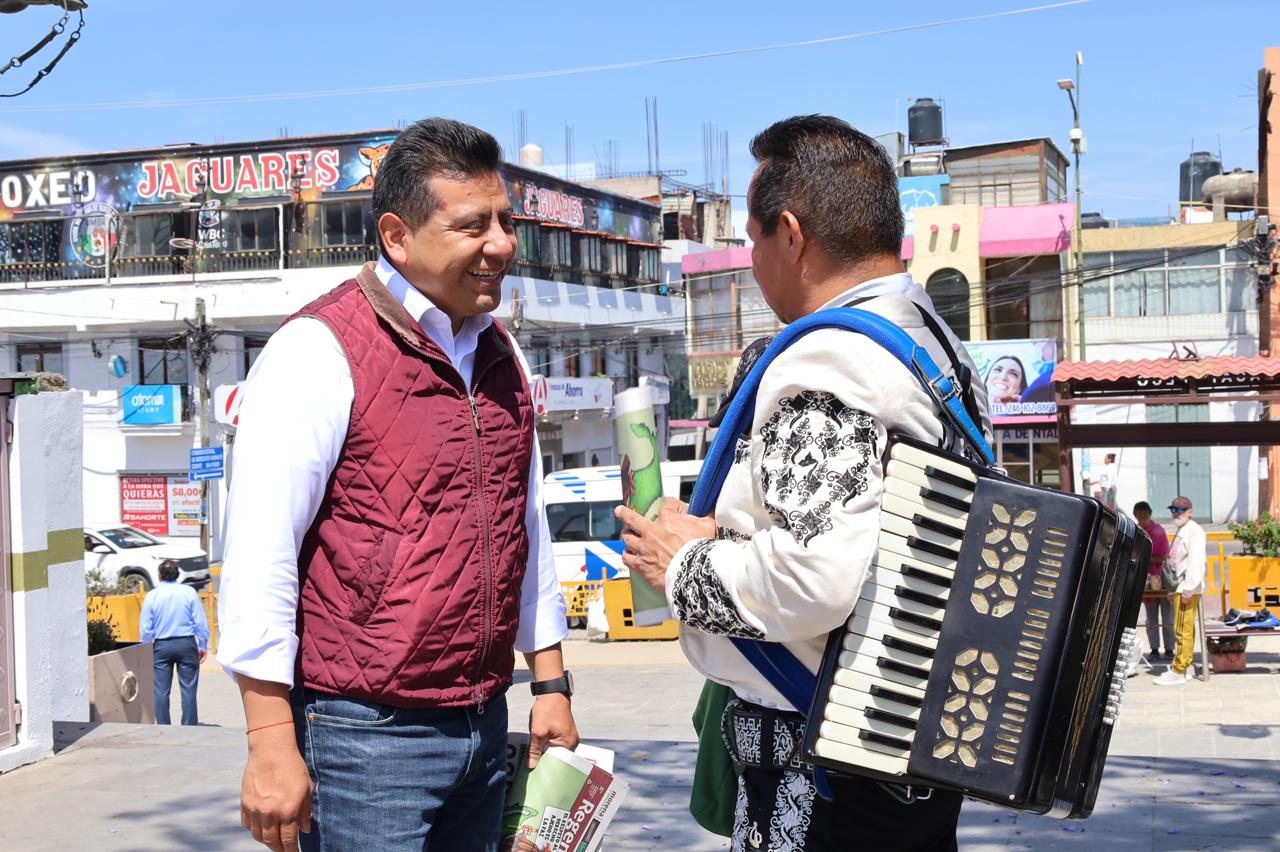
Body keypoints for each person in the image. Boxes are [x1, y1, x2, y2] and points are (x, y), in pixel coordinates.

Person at [617, 115, 991, 852]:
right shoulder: (928, 336)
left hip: (824, 776)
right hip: (908, 752)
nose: (754, 262)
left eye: (754, 239)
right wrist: (723, 539)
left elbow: (813, 577)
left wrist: (681, 562)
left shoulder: (825, 363)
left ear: (791, 234)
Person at [217, 118, 578, 852]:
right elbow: (260, 556)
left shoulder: (500, 350)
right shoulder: (315, 351)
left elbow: (523, 524)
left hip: (484, 721)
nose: (502, 245)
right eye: (473, 225)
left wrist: (550, 683)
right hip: (364, 738)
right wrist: (269, 740)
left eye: (506, 221)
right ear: (396, 236)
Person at [139, 559, 209, 726]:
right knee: (189, 689)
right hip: (186, 643)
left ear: (160, 575)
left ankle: (163, 726)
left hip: (162, 646)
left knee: (161, 691)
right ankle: (189, 725)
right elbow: (200, 621)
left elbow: (146, 628)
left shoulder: (152, 596)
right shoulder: (189, 592)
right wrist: (203, 644)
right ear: (178, 575)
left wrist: (145, 646)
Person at [1154, 496, 1206, 686]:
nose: (1176, 513)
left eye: (1181, 510)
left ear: (1190, 511)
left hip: (1186, 588)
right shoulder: (1182, 530)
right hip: (1179, 587)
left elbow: (1196, 562)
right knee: (1183, 628)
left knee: (1182, 629)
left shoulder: (1194, 532)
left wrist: (1189, 588)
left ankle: (1179, 669)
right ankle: (1187, 666)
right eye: (1174, 510)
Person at [1133, 501, 1173, 659]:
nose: (1143, 519)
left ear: (1150, 515)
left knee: (1167, 616)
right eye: (1139, 516)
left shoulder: (1158, 531)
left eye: (1145, 516)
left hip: (1161, 578)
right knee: (1151, 617)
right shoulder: (1136, 532)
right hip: (1144, 580)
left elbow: (1163, 556)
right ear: (1135, 516)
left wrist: (1144, 559)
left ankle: (1170, 649)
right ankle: (1154, 649)